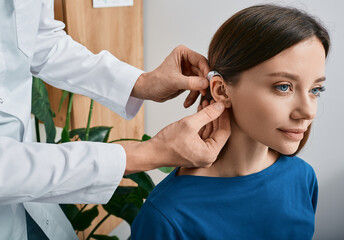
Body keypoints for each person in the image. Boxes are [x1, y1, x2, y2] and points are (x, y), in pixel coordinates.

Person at [0, 0, 231, 239]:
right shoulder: (167, 215)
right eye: (275, 87)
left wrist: (141, 83)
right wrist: (147, 153)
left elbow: (39, 39)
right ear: (220, 90)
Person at [131, 4, 330, 240]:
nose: (308, 111)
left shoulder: (302, 178)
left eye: (316, 89)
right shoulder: (167, 215)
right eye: (283, 87)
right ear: (222, 90)